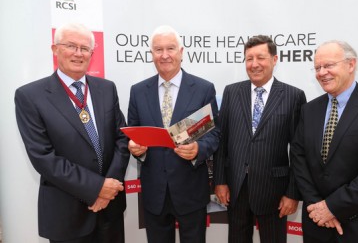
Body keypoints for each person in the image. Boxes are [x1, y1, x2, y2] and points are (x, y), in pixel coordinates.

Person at [15, 23, 130, 243]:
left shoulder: (106, 88)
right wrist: (97, 188)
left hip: (110, 212)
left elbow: (122, 138)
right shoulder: (30, 96)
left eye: (85, 48)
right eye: (71, 46)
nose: (78, 53)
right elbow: (43, 157)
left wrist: (110, 186)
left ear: (92, 53)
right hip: (66, 215)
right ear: (55, 49)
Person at [291, 40, 358, 243]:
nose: (322, 72)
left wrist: (332, 207)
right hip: (318, 225)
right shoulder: (309, 110)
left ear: (351, 65)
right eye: (317, 67)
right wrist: (317, 206)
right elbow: (299, 159)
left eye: (329, 65)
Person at [127, 25, 220, 243]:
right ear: (151, 55)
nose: (165, 55)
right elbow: (132, 134)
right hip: (154, 192)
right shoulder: (138, 91)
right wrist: (135, 149)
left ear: (182, 52)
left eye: (170, 48)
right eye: (158, 50)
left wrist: (199, 149)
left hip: (191, 191)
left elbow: (215, 134)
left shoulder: (203, 88)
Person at [214, 35, 307, 243]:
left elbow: (299, 151)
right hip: (236, 187)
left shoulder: (293, 96)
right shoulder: (231, 92)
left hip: (274, 190)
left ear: (274, 60)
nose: (254, 64)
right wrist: (220, 181)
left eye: (261, 58)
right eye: (249, 58)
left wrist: (293, 193)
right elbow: (222, 140)